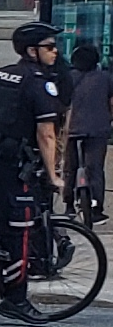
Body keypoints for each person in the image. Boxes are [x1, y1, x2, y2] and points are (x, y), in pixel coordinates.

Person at [0, 21, 65, 324]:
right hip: (13, 165)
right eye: (49, 46)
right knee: (20, 229)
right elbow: (46, 134)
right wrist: (53, 175)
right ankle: (15, 299)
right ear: (32, 50)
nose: (55, 51)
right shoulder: (39, 81)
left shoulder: (3, 74)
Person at [63, 44, 111, 225]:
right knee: (95, 168)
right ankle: (96, 208)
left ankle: (68, 205)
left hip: (72, 129)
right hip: (98, 129)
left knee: (70, 167)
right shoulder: (105, 78)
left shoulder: (68, 78)